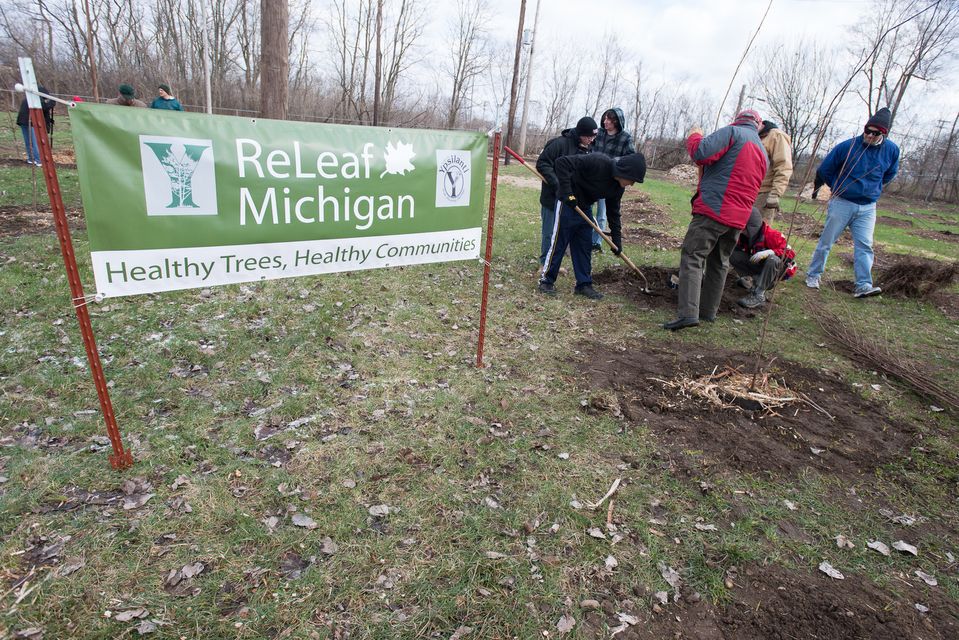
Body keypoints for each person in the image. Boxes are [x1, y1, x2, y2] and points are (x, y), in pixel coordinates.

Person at [664, 109, 768, 330]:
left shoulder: (732, 133)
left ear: (738, 120)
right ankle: (708, 312)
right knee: (720, 263)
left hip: (714, 209)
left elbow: (700, 153)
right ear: (758, 125)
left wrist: (695, 135)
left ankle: (688, 314)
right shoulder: (762, 150)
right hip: (739, 218)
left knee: (693, 256)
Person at [805, 108, 899, 299]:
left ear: (884, 134)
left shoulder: (891, 150)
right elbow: (825, 169)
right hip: (842, 202)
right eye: (868, 131)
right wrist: (837, 186)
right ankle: (813, 275)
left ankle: (863, 285)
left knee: (865, 245)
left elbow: (890, 173)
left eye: (875, 133)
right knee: (826, 241)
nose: (870, 135)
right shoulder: (847, 147)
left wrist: (874, 188)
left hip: (867, 207)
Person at [538, 151, 647, 300]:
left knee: (584, 245)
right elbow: (561, 162)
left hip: (585, 207)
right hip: (568, 204)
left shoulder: (617, 188)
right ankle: (546, 281)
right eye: (632, 179)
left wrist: (616, 240)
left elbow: (614, 213)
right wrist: (568, 193)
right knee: (559, 242)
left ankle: (583, 285)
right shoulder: (598, 162)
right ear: (625, 172)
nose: (632, 184)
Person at [534, 117, 597, 270]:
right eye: (588, 136)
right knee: (549, 232)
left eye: (594, 136)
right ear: (580, 133)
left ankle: (556, 260)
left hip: (572, 200)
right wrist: (557, 183)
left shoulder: (588, 148)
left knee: (564, 233)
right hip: (553, 197)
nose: (591, 140)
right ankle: (545, 264)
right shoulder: (559, 144)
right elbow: (542, 163)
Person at [730, 207, 797, 309]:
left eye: (743, 227)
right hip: (761, 266)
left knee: (773, 259)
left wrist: (770, 252)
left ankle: (759, 295)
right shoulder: (744, 236)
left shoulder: (772, 235)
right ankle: (753, 282)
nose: (741, 230)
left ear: (752, 226)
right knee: (733, 254)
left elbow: (790, 253)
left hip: (778, 270)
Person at [591, 107, 636, 252]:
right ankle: (582, 239)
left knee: (603, 213)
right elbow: (587, 146)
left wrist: (611, 162)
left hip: (610, 182)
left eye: (609, 119)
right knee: (586, 211)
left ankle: (596, 242)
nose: (605, 122)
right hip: (591, 179)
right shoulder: (598, 133)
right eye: (604, 118)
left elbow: (630, 159)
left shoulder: (625, 138)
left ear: (616, 121)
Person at [756, 120, 793, 223]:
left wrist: (775, 194)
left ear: (759, 123)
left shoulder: (776, 136)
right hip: (747, 192)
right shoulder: (754, 136)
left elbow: (783, 165)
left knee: (757, 232)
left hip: (763, 193)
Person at [16, 84, 55, 167]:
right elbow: (45, 107)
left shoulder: (28, 98)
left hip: (23, 121)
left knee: (28, 142)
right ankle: (39, 160)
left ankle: (31, 159)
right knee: (36, 142)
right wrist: (52, 102)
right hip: (31, 122)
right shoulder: (35, 99)